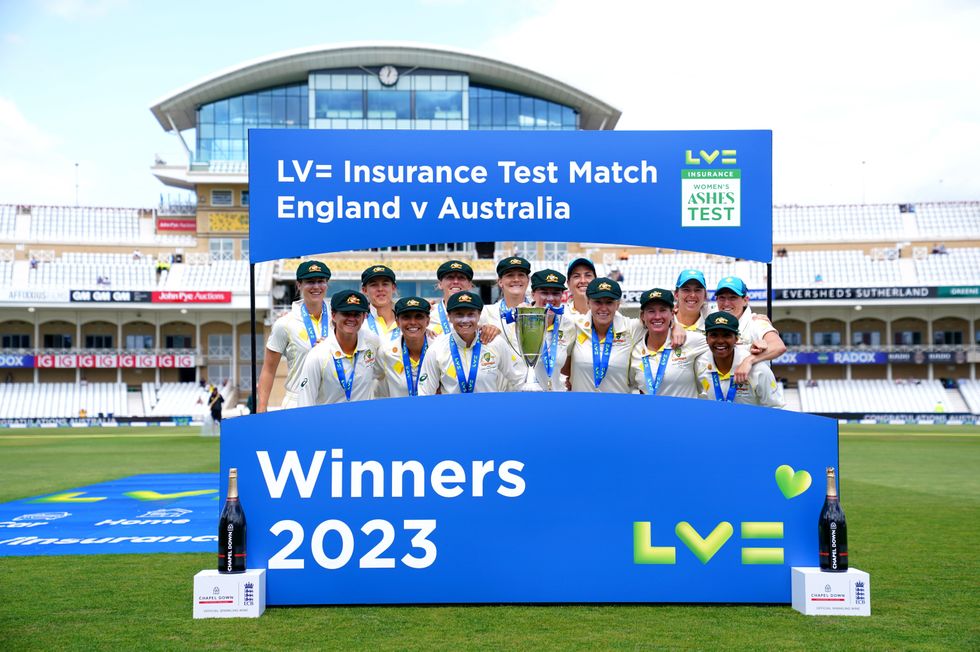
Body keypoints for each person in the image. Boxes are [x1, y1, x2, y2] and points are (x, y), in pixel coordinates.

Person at [419, 291, 528, 395]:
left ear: (479, 315)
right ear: (449, 317)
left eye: (471, 314)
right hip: (452, 409)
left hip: (489, 408)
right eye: (459, 315)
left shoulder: (495, 343)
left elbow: (519, 380)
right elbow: (424, 392)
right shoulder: (437, 349)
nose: (465, 320)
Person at [257, 260, 332, 412]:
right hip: (297, 401)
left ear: (327, 284)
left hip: (331, 400)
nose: (316, 286)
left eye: (321, 281)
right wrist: (262, 407)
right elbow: (269, 369)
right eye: (310, 282)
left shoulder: (339, 319)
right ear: (299, 285)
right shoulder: (285, 323)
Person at [298, 290, 385, 406]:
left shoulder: (372, 342)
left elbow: (384, 371)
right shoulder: (318, 355)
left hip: (364, 417)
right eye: (346, 313)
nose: (351, 319)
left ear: (364, 317)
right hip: (329, 418)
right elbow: (305, 402)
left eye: (356, 314)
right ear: (333, 315)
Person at [561, 278, 640, 394]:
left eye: (609, 302)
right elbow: (563, 365)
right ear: (588, 302)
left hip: (619, 405)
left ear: (617, 304)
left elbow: (657, 323)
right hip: (581, 404)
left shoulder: (631, 328)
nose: (603, 308)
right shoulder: (575, 326)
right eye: (597, 302)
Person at [695, 311, 785, 408]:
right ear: (706, 339)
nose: (720, 341)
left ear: (736, 339)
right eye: (714, 335)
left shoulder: (758, 370)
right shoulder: (700, 364)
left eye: (726, 335)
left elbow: (775, 408)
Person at [628, 288, 705, 398]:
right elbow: (632, 386)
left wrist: (677, 326)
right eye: (651, 311)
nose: (657, 316)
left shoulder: (689, 340)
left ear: (672, 314)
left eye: (663, 310)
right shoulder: (635, 351)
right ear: (642, 316)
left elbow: (722, 343)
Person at [713, 276, 787, 384]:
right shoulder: (712, 322)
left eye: (733, 297)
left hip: (756, 392)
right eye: (722, 297)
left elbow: (778, 346)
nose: (726, 303)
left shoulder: (756, 322)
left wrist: (749, 361)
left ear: (745, 300)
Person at [518, 269, 573, 391]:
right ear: (533, 294)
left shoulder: (568, 326)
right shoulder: (519, 321)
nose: (550, 298)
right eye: (544, 292)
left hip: (556, 396)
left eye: (556, 293)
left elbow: (567, 366)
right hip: (525, 395)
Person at [378, 296, 432, 398]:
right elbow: (374, 381)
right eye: (406, 317)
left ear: (428, 321)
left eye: (419, 317)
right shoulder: (386, 352)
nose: (413, 322)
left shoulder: (439, 350)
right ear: (397, 322)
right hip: (398, 408)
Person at [481, 256, 531, 328]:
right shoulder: (486, 313)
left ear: (528, 280)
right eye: (510, 275)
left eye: (521, 275)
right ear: (500, 282)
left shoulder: (539, 310)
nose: (516, 279)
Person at [429, 259, 475, 337]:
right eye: (450, 277)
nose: (456, 282)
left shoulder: (482, 315)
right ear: (440, 284)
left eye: (461, 277)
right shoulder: (428, 314)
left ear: (470, 285)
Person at [360, 264, 400, 340]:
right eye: (374, 285)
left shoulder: (406, 321)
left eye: (385, 284)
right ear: (364, 290)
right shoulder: (359, 324)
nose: (380, 289)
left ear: (393, 288)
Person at [563, 257, 596, 331]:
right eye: (576, 276)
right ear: (568, 283)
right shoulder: (561, 316)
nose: (583, 281)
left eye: (588, 275)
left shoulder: (607, 314)